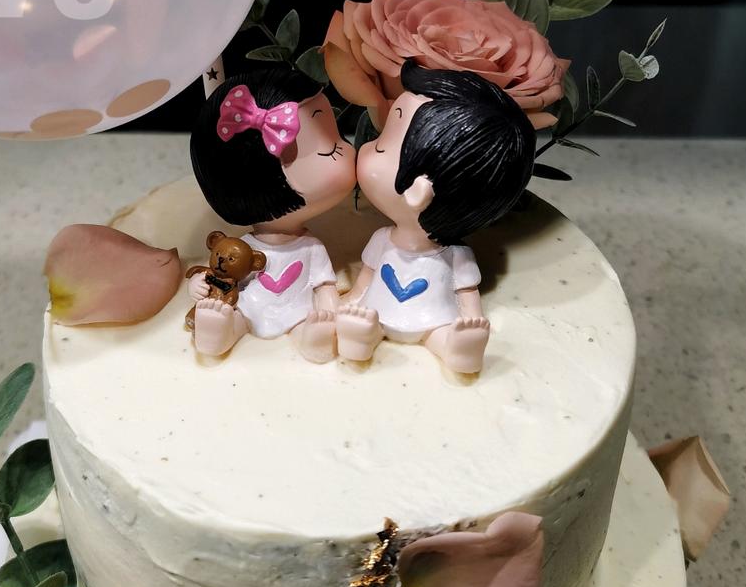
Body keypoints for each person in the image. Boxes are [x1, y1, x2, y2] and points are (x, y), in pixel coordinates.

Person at [338, 59, 535, 374]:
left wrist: (470, 319)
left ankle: (456, 349)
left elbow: (466, 293)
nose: (367, 146)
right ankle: (362, 337)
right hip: (378, 311)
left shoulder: (455, 255)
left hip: (435, 320)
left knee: (441, 335)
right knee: (368, 322)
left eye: (383, 145)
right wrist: (353, 298)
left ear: (418, 191)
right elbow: (366, 277)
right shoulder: (383, 240)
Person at [188, 69, 356, 360]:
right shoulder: (241, 247)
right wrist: (197, 286)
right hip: (249, 304)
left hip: (298, 309)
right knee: (236, 316)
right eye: (331, 147)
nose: (350, 150)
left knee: (308, 323)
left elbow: (324, 287)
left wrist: (330, 312)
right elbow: (216, 274)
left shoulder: (311, 247)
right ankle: (217, 333)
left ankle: (314, 340)